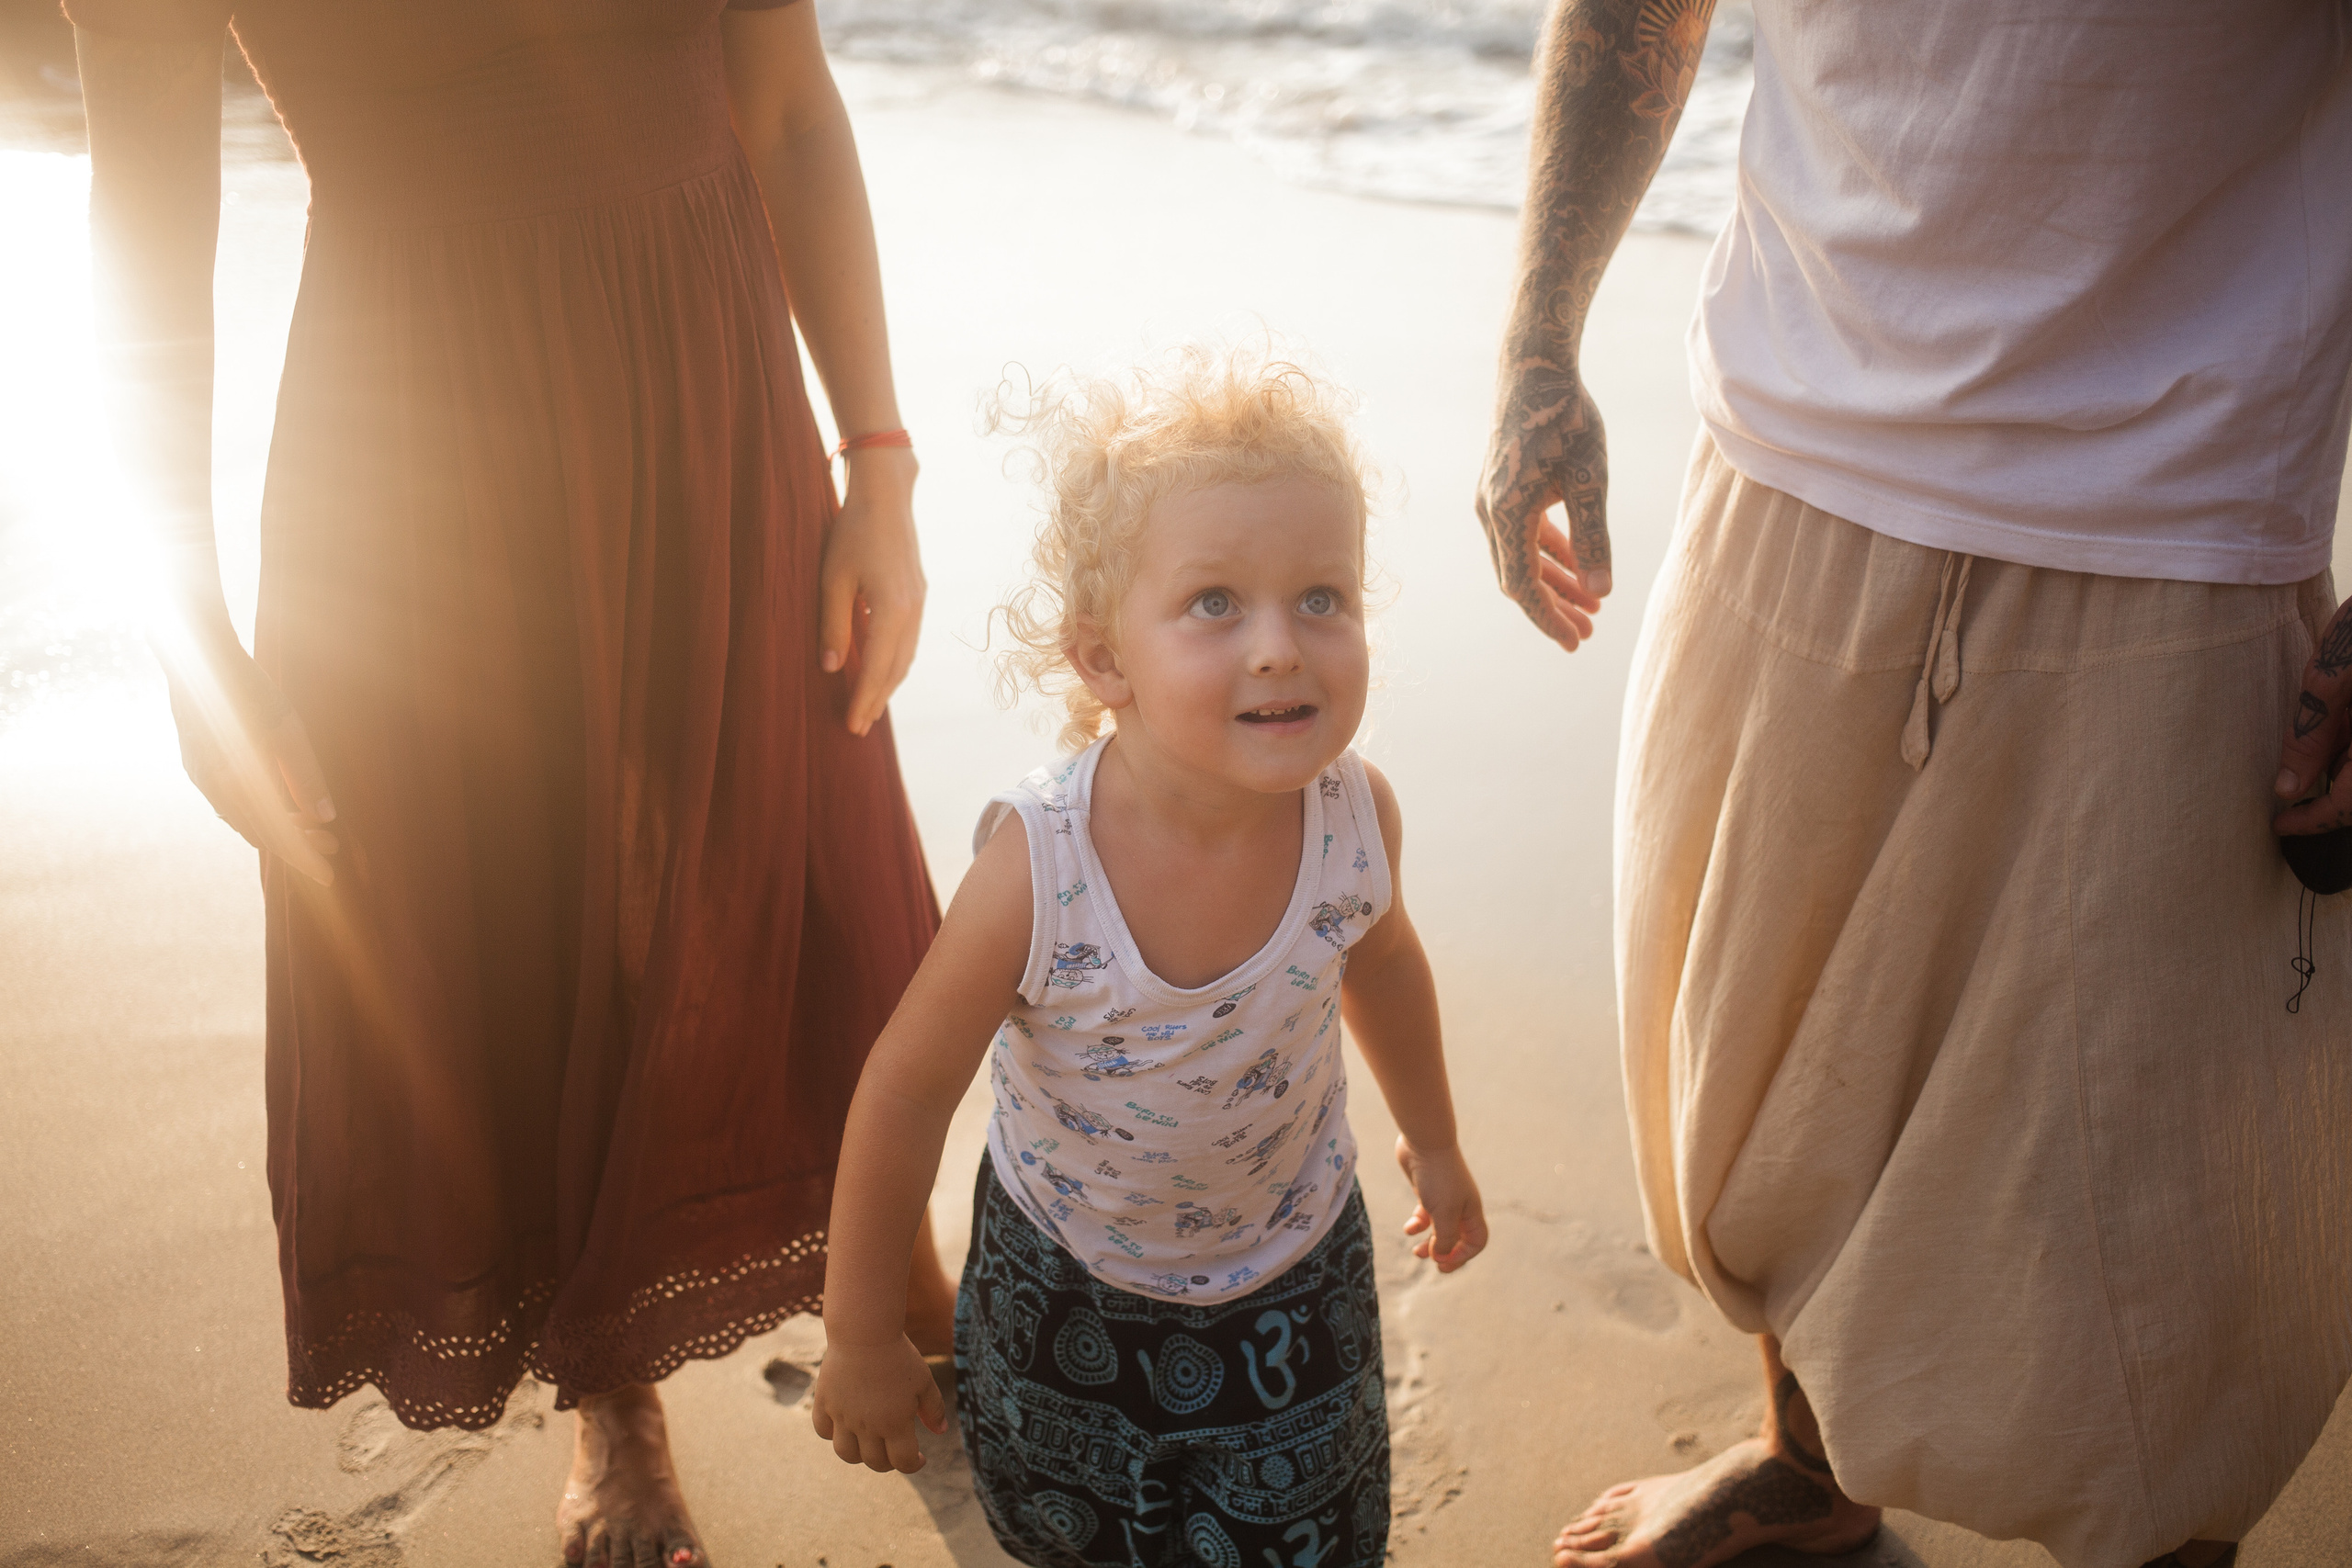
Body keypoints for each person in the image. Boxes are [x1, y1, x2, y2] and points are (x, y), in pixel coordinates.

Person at [72, 1, 960, 1562]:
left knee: (764, 835)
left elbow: (786, 97)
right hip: (420, 438)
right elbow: (149, 205)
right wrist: (182, 617)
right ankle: (611, 1394)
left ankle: (896, 1261)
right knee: (519, 911)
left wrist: (877, 456)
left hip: (710, 372)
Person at [1474, 3, 2352, 1567]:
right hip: (1781, 452)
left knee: (2155, 1240)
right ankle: (1804, 1470)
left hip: (2169, 522)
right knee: (1751, 1096)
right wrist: (1539, 344)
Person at [806, 350, 1489, 1568]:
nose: (1280, 646)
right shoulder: (1040, 868)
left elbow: (1382, 967)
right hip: (1067, 1279)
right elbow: (906, 1090)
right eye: (1216, 603)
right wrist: (860, 1332)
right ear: (1104, 659)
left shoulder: (1353, 818)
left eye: (1322, 597)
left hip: (1293, 1263)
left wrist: (1432, 1141)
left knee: (1307, 1537)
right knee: (1081, 1532)